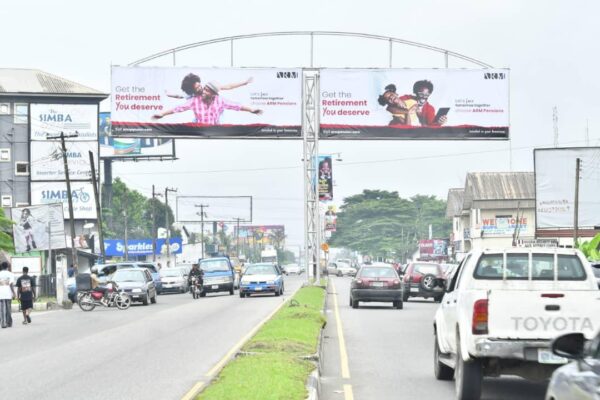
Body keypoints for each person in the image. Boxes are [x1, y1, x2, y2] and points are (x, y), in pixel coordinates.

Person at [152, 81, 263, 124]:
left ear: (213, 94)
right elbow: (178, 108)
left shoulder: (220, 100)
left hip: (213, 130)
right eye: (203, 89)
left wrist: (252, 110)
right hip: (199, 129)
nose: (203, 92)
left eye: (206, 90)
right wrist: (162, 114)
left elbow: (237, 106)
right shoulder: (194, 100)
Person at [165, 73, 253, 100]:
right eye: (197, 88)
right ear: (192, 91)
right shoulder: (191, 95)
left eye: (199, 85)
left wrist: (244, 83)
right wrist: (168, 94)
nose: (201, 88)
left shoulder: (209, 88)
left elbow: (228, 86)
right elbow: (178, 96)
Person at [0, 261, 15, 328]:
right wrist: (14, 293)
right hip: (8, 293)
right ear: (7, 267)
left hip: (1, 293)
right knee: (8, 308)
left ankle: (3, 323)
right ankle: (9, 323)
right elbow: (11, 284)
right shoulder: (11, 274)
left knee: (2, 309)